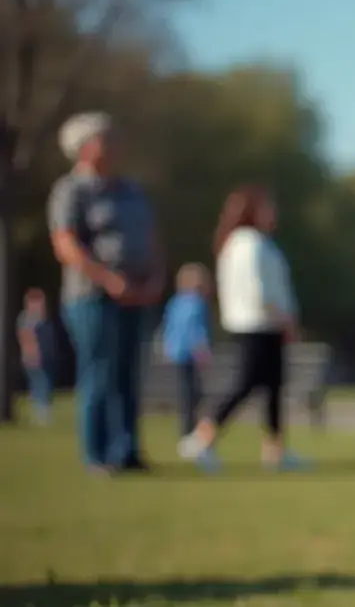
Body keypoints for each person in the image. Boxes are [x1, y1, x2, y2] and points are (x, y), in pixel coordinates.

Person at [48, 112, 164, 475]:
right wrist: (108, 280)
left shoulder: (130, 189)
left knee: (129, 373)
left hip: (138, 294)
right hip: (92, 297)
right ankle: (96, 455)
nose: (114, 145)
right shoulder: (71, 190)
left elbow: (149, 237)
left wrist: (156, 278)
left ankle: (127, 451)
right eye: (105, 138)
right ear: (84, 148)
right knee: (99, 372)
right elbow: (66, 244)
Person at [179, 186, 306, 471]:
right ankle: (202, 436)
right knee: (246, 383)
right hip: (257, 324)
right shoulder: (248, 244)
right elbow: (260, 290)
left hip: (265, 324)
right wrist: (285, 319)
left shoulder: (247, 243)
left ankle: (275, 451)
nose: (272, 214)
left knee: (273, 388)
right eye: (267, 208)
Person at [161, 263, 213, 443]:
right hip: (190, 354)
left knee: (186, 394)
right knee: (193, 396)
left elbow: (169, 327)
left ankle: (187, 431)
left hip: (176, 353)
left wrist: (167, 346)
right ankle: (190, 433)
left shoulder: (175, 302)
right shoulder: (197, 303)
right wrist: (202, 351)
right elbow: (196, 329)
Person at [17, 288, 57, 425]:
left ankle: (41, 411)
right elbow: (27, 337)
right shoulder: (29, 318)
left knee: (43, 384)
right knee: (41, 384)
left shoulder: (41, 318)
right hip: (33, 358)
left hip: (45, 357)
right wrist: (32, 354)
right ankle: (41, 414)